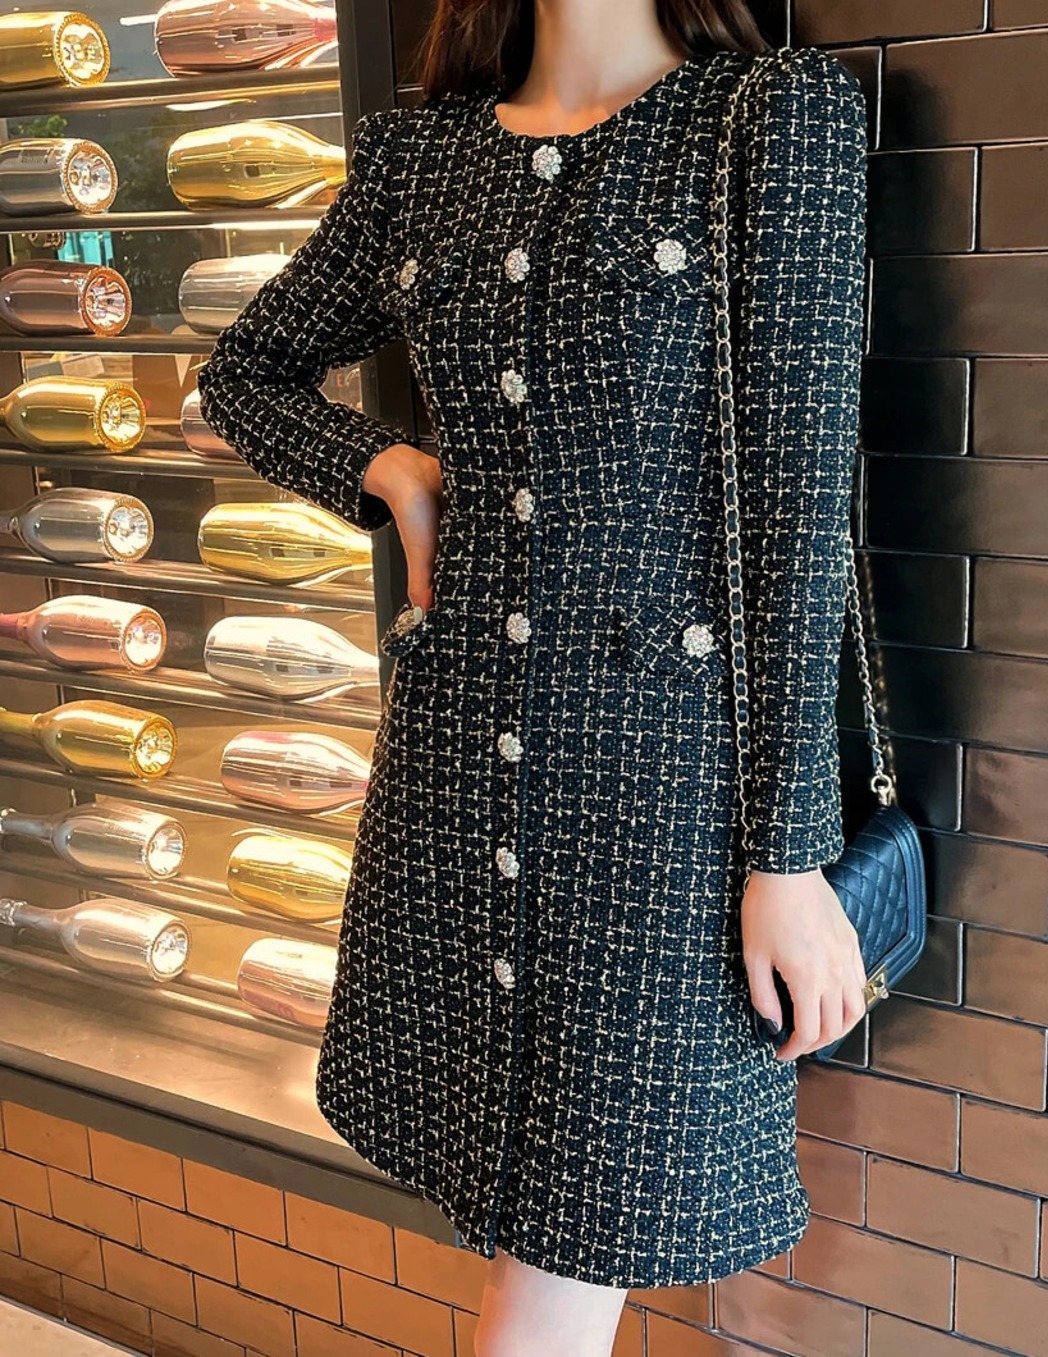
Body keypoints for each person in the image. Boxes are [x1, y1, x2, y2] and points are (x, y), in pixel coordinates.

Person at [196, 0, 869, 1352]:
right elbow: (242, 373)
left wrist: (789, 856)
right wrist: (383, 467)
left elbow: (800, 512)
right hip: (452, 782)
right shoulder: (422, 157)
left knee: (559, 1257)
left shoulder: (765, 122)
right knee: (521, 1233)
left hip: (658, 804)